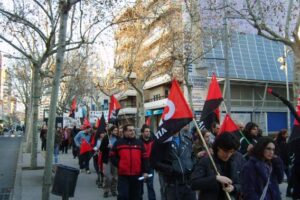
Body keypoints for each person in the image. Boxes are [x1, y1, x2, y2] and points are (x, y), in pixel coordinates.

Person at [191, 133, 245, 200]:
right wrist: (216, 178)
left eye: (231, 152)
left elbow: (244, 182)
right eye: (225, 151)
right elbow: (194, 184)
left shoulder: (238, 159)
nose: (228, 155)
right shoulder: (206, 161)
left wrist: (234, 188)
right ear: (218, 147)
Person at [151, 128, 196, 200]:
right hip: (172, 185)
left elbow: (193, 156)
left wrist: (192, 165)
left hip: (188, 184)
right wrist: (171, 169)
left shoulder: (187, 140)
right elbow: (155, 162)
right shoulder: (162, 142)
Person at [110, 124, 149, 200]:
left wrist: (145, 171)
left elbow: (145, 158)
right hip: (123, 176)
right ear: (124, 132)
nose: (132, 132)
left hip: (137, 175)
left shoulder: (139, 143)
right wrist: (120, 164)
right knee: (123, 196)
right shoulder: (118, 143)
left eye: (133, 130)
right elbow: (112, 156)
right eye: (130, 130)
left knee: (136, 197)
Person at [100, 125, 119, 198]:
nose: (116, 132)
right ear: (111, 131)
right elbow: (101, 149)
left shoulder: (118, 138)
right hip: (107, 159)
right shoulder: (106, 138)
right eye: (115, 130)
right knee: (107, 176)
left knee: (115, 177)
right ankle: (106, 190)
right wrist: (107, 146)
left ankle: (113, 190)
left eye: (117, 131)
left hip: (115, 160)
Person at [140, 124, 156, 200]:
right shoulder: (138, 142)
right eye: (146, 131)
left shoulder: (153, 141)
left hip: (150, 167)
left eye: (149, 131)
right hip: (140, 167)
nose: (148, 133)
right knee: (139, 186)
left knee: (150, 185)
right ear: (142, 133)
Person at [275, 129, 291, 197]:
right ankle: (288, 192)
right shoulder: (283, 143)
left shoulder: (277, 142)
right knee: (289, 178)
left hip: (280, 162)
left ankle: (280, 191)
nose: (287, 135)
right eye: (286, 134)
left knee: (278, 178)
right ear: (283, 135)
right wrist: (289, 161)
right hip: (284, 163)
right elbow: (285, 154)